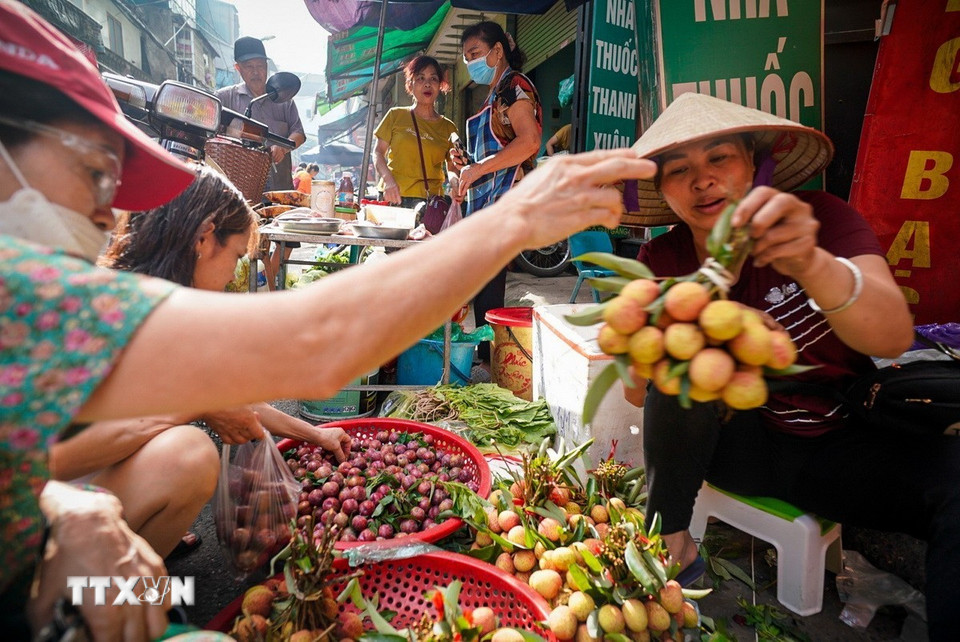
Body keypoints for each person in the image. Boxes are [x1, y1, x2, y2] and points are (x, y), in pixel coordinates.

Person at [0, 2, 656, 638]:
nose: (102, 211)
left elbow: (27, 450)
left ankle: (122, 601)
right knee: (185, 450)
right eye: (93, 172)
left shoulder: (54, 304)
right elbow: (320, 343)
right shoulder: (37, 289)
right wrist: (515, 218)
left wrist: (68, 506)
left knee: (181, 461)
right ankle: (114, 604)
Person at [623, 92, 960, 639]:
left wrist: (810, 262)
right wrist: (668, 340)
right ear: (663, 190)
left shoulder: (818, 221)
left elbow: (894, 335)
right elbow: (641, 396)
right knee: (684, 366)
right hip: (743, 447)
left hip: (842, 440)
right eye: (678, 170)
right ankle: (674, 546)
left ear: (754, 164)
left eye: (719, 158)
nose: (701, 180)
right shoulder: (661, 263)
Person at [47, 166, 350, 561]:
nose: (231, 276)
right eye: (237, 257)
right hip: (42, 512)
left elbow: (226, 397)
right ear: (205, 239)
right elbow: (51, 461)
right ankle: (110, 603)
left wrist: (317, 435)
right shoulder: (104, 316)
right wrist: (193, 409)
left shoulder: (168, 310)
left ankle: (136, 561)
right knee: (190, 456)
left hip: (95, 496)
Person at [452, 21, 543, 362]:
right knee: (484, 282)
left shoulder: (514, 87)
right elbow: (493, 154)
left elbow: (529, 141)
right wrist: (465, 164)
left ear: (498, 51)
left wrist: (478, 168)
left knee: (487, 281)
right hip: (487, 204)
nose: (470, 62)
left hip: (508, 201)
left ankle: (492, 361)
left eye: (475, 53)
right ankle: (486, 355)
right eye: (465, 57)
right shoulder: (492, 95)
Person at [216, 36, 305, 191]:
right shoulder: (225, 98)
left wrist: (282, 148)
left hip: (280, 190)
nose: (256, 72)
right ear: (238, 68)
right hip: (239, 190)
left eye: (260, 66)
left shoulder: (284, 98)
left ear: (267, 67)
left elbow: (299, 134)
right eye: (249, 66)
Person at [372, 55, 458, 209]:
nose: (427, 84)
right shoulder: (395, 115)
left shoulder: (448, 127)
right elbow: (378, 153)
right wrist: (388, 181)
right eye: (420, 78)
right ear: (410, 85)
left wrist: (455, 182)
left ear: (440, 85)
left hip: (430, 204)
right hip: (394, 197)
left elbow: (451, 168)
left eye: (433, 79)